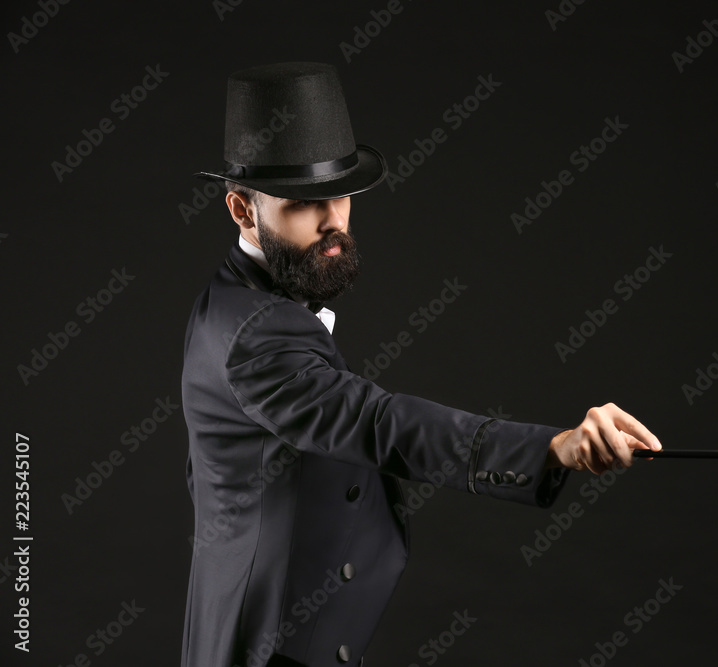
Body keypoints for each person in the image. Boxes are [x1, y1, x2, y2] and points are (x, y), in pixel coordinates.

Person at [180, 61, 661, 667]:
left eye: (341, 195)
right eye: (303, 204)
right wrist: (552, 448)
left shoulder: (239, 299)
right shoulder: (253, 330)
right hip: (267, 648)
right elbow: (377, 422)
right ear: (242, 211)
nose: (334, 222)